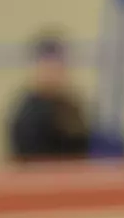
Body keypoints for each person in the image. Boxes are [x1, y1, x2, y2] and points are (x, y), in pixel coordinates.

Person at [7, 32, 92, 161]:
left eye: (59, 65)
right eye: (48, 65)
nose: (54, 72)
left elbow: (83, 146)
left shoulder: (71, 106)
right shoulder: (28, 114)